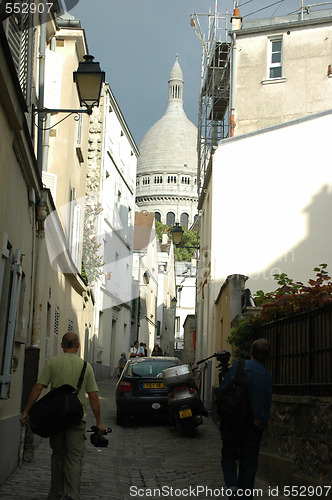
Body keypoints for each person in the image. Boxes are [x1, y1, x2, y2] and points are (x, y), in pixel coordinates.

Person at [21, 332, 104, 500]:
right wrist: (99, 422)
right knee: (74, 459)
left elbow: (38, 387)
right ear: (78, 346)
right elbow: (93, 396)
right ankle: (72, 495)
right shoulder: (85, 366)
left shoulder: (53, 363)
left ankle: (55, 493)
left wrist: (26, 411)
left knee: (58, 456)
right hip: (76, 419)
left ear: (61, 345)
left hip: (56, 420)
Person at [215, 338, 272, 499]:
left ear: (251, 352)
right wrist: (261, 425)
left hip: (233, 422)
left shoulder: (239, 367)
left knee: (228, 456)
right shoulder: (267, 377)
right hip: (253, 425)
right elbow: (266, 406)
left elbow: (222, 391)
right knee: (248, 462)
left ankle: (233, 488)